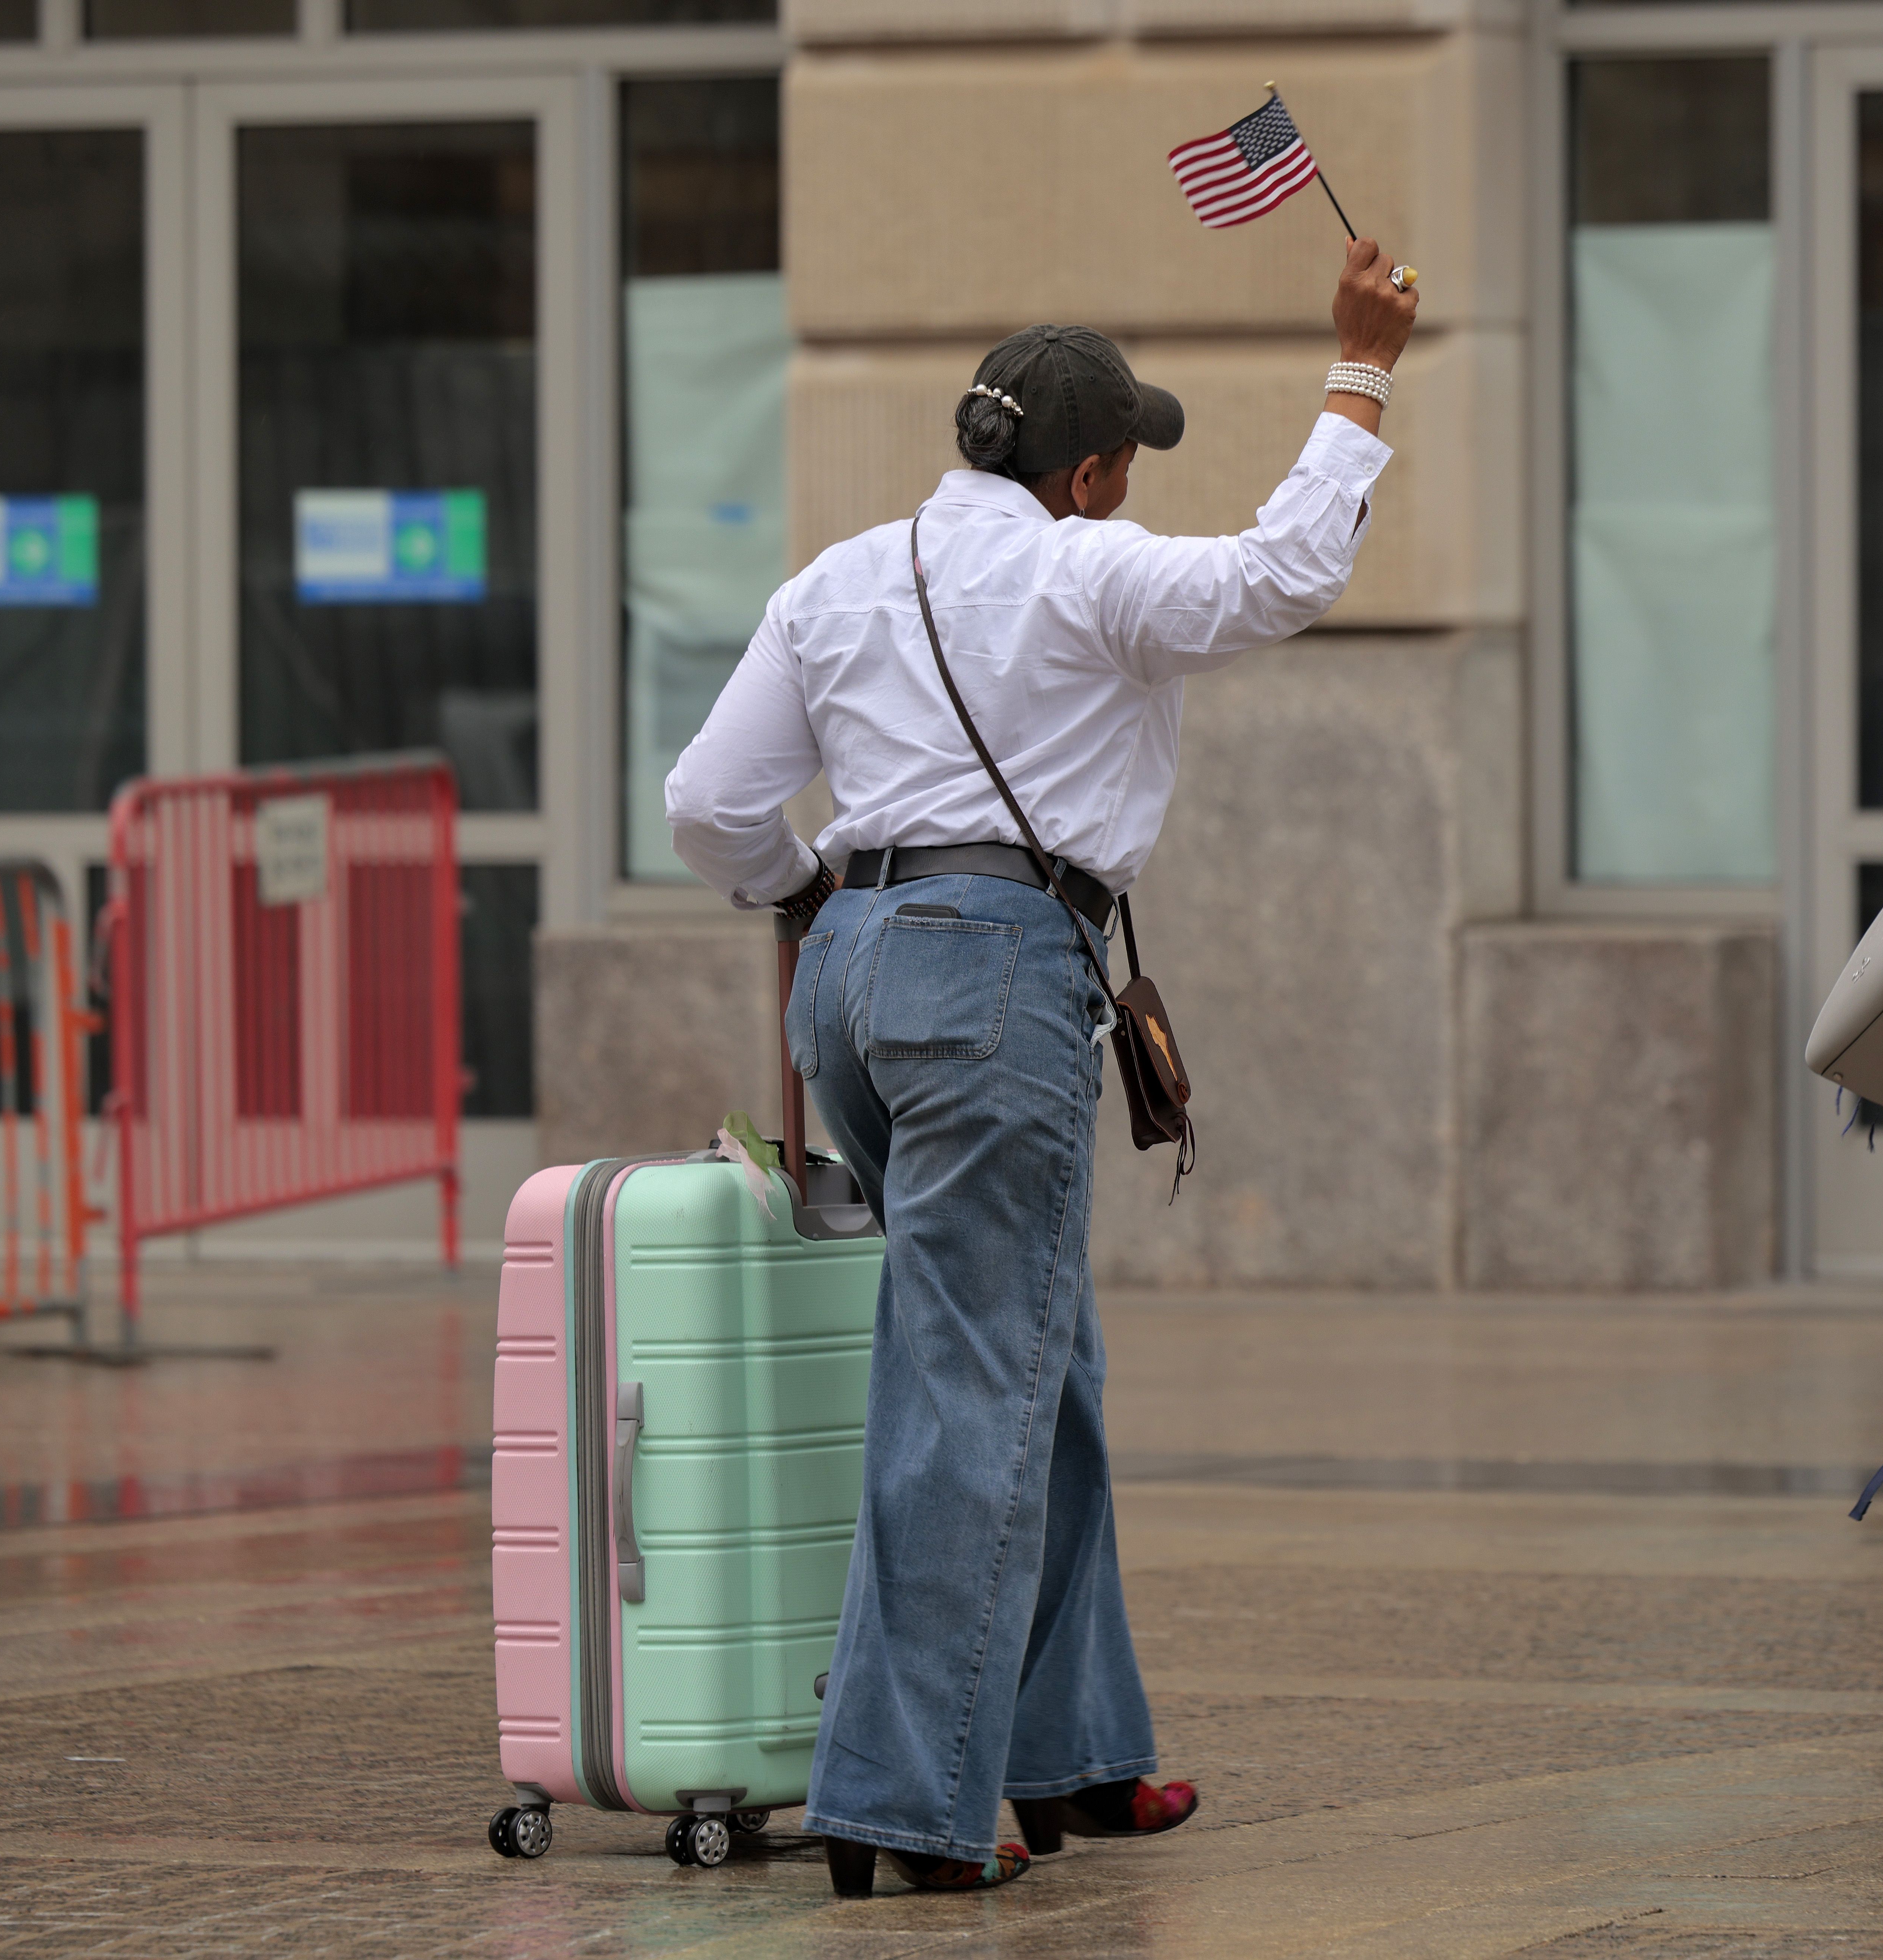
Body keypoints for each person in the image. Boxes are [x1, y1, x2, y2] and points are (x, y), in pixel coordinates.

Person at [664, 238, 1420, 1893]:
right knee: (972, 1390)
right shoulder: (1088, 573)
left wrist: (810, 904)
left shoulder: (839, 579)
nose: (1127, 486)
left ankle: (1072, 1755)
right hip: (996, 980)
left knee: (1034, 1363)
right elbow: (1281, 579)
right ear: (1084, 473)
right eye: (1125, 462)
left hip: (852, 980)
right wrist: (1358, 375)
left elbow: (708, 806)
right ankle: (903, 1797)